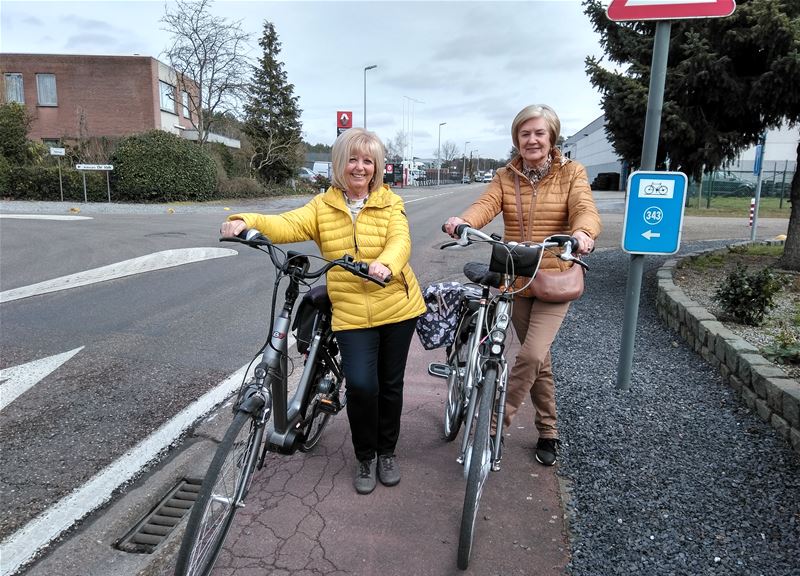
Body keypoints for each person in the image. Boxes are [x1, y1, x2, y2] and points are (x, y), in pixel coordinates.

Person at [220, 128, 426, 494]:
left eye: (367, 161)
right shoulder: (323, 206)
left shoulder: (390, 202)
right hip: (350, 311)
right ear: (339, 163)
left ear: (377, 167)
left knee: (390, 386)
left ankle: (387, 452)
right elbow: (286, 223)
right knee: (363, 387)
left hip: (396, 306)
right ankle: (365, 456)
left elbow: (400, 240)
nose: (359, 168)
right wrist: (245, 220)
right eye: (352, 159)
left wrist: (385, 264)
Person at [444, 104, 601, 466]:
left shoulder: (571, 172)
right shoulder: (506, 175)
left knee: (529, 355)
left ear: (552, 137)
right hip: (516, 280)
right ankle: (549, 431)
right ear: (517, 138)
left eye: (539, 133)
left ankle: (494, 426)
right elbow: (486, 205)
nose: (532, 140)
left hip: (555, 279)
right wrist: (463, 222)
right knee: (539, 360)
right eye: (525, 133)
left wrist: (582, 233)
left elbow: (584, 207)